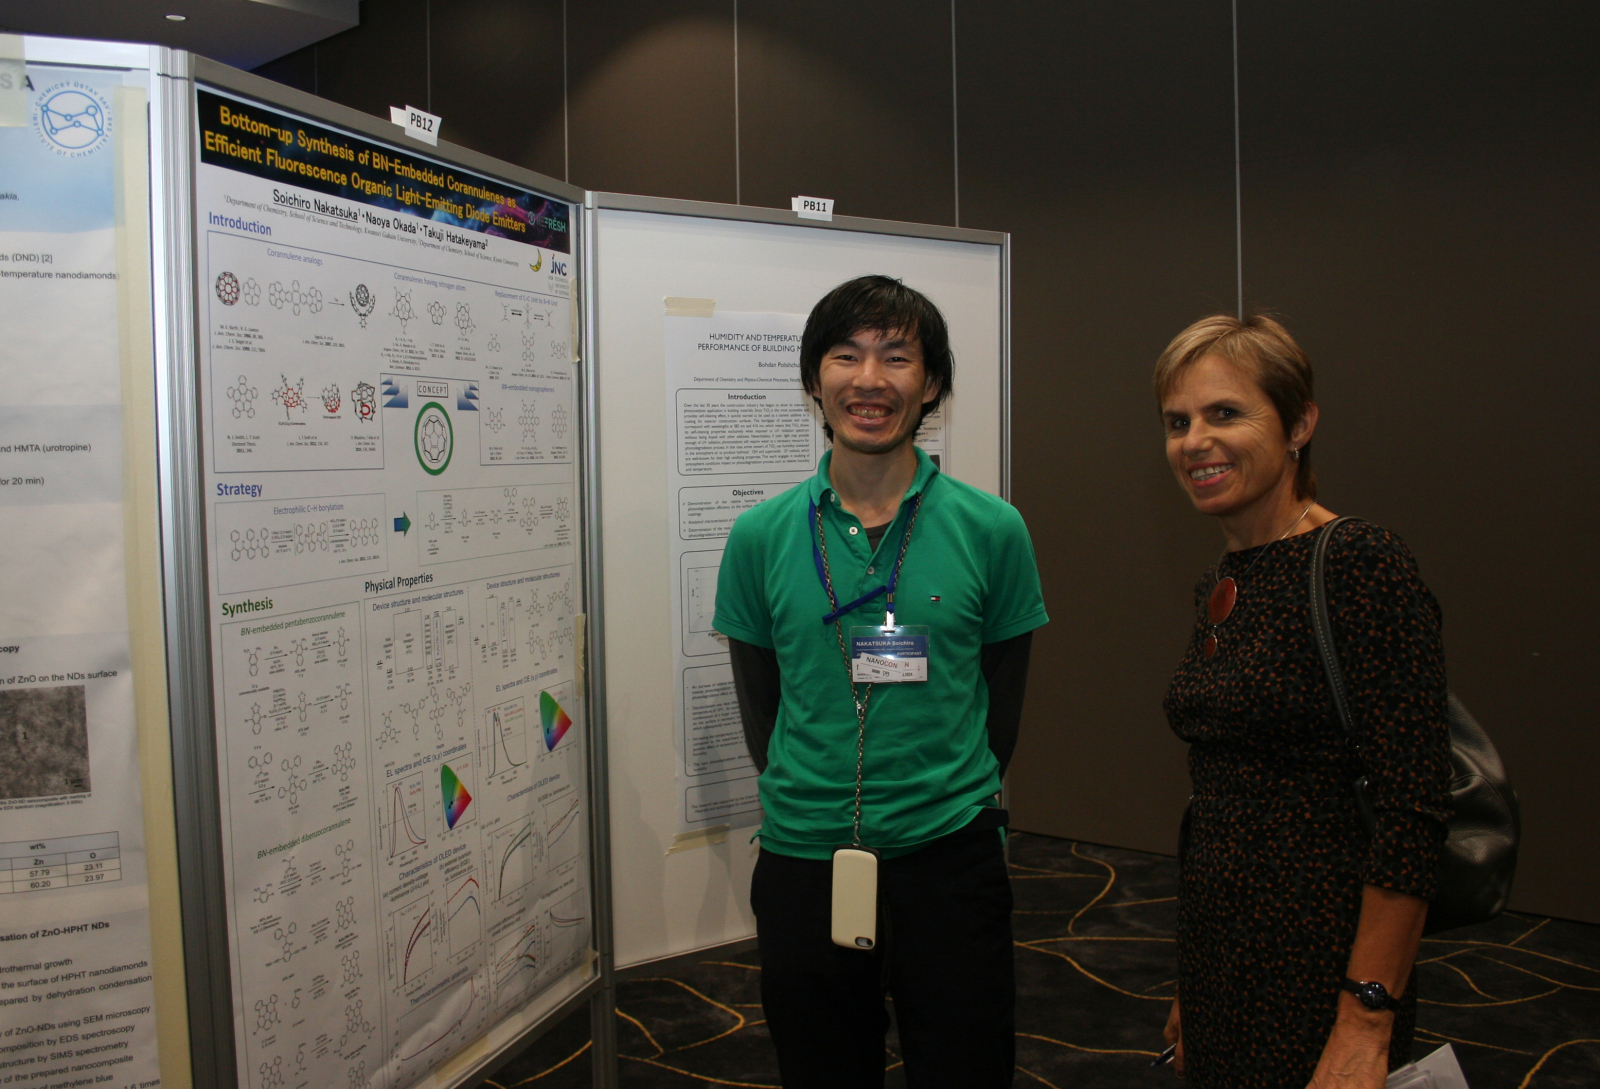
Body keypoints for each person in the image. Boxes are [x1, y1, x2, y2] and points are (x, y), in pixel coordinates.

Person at [714, 275, 1048, 1088]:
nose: (870, 379)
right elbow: (763, 705)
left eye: (897, 357)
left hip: (951, 855)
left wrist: (945, 793)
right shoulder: (760, 535)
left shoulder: (992, 529)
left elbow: (1000, 704)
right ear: (814, 379)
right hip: (806, 857)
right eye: (846, 355)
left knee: (967, 1070)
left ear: (930, 384)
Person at [1154, 314, 1453, 1088]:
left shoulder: (1359, 562)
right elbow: (1225, 793)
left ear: (1299, 425)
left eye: (1225, 413)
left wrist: (1366, 1018)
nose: (1195, 441)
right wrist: (1194, 979)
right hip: (1223, 954)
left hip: (1322, 966)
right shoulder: (1223, 577)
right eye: (1178, 422)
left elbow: (1413, 809)